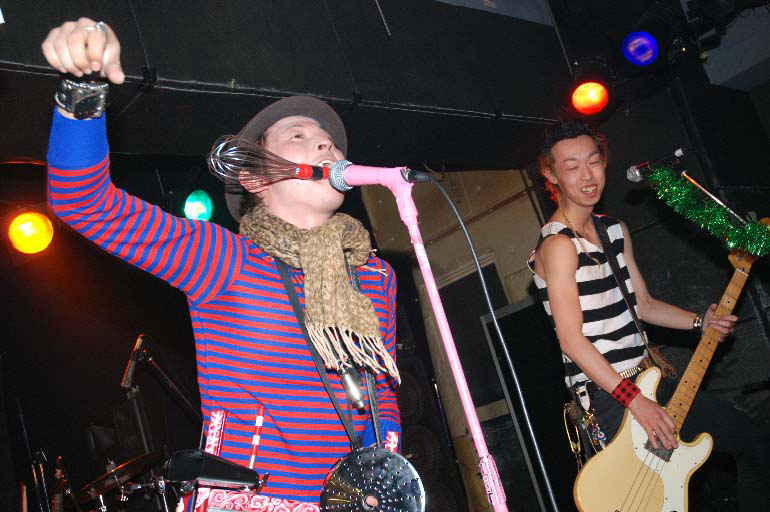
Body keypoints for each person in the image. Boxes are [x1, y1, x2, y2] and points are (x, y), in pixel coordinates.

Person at [42, 17, 401, 508]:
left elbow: (383, 391)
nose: (326, 145)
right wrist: (83, 90)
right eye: (298, 135)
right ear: (255, 179)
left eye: (330, 141)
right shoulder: (224, 258)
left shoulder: (376, 275)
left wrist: (387, 474)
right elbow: (83, 200)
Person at [528, 120, 769, 509]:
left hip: (648, 381)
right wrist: (634, 401)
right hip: (610, 397)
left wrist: (700, 322)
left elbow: (643, 304)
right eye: (572, 167)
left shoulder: (614, 230)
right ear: (551, 175)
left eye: (593, 162)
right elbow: (571, 340)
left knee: (751, 440)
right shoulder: (558, 245)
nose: (587, 175)